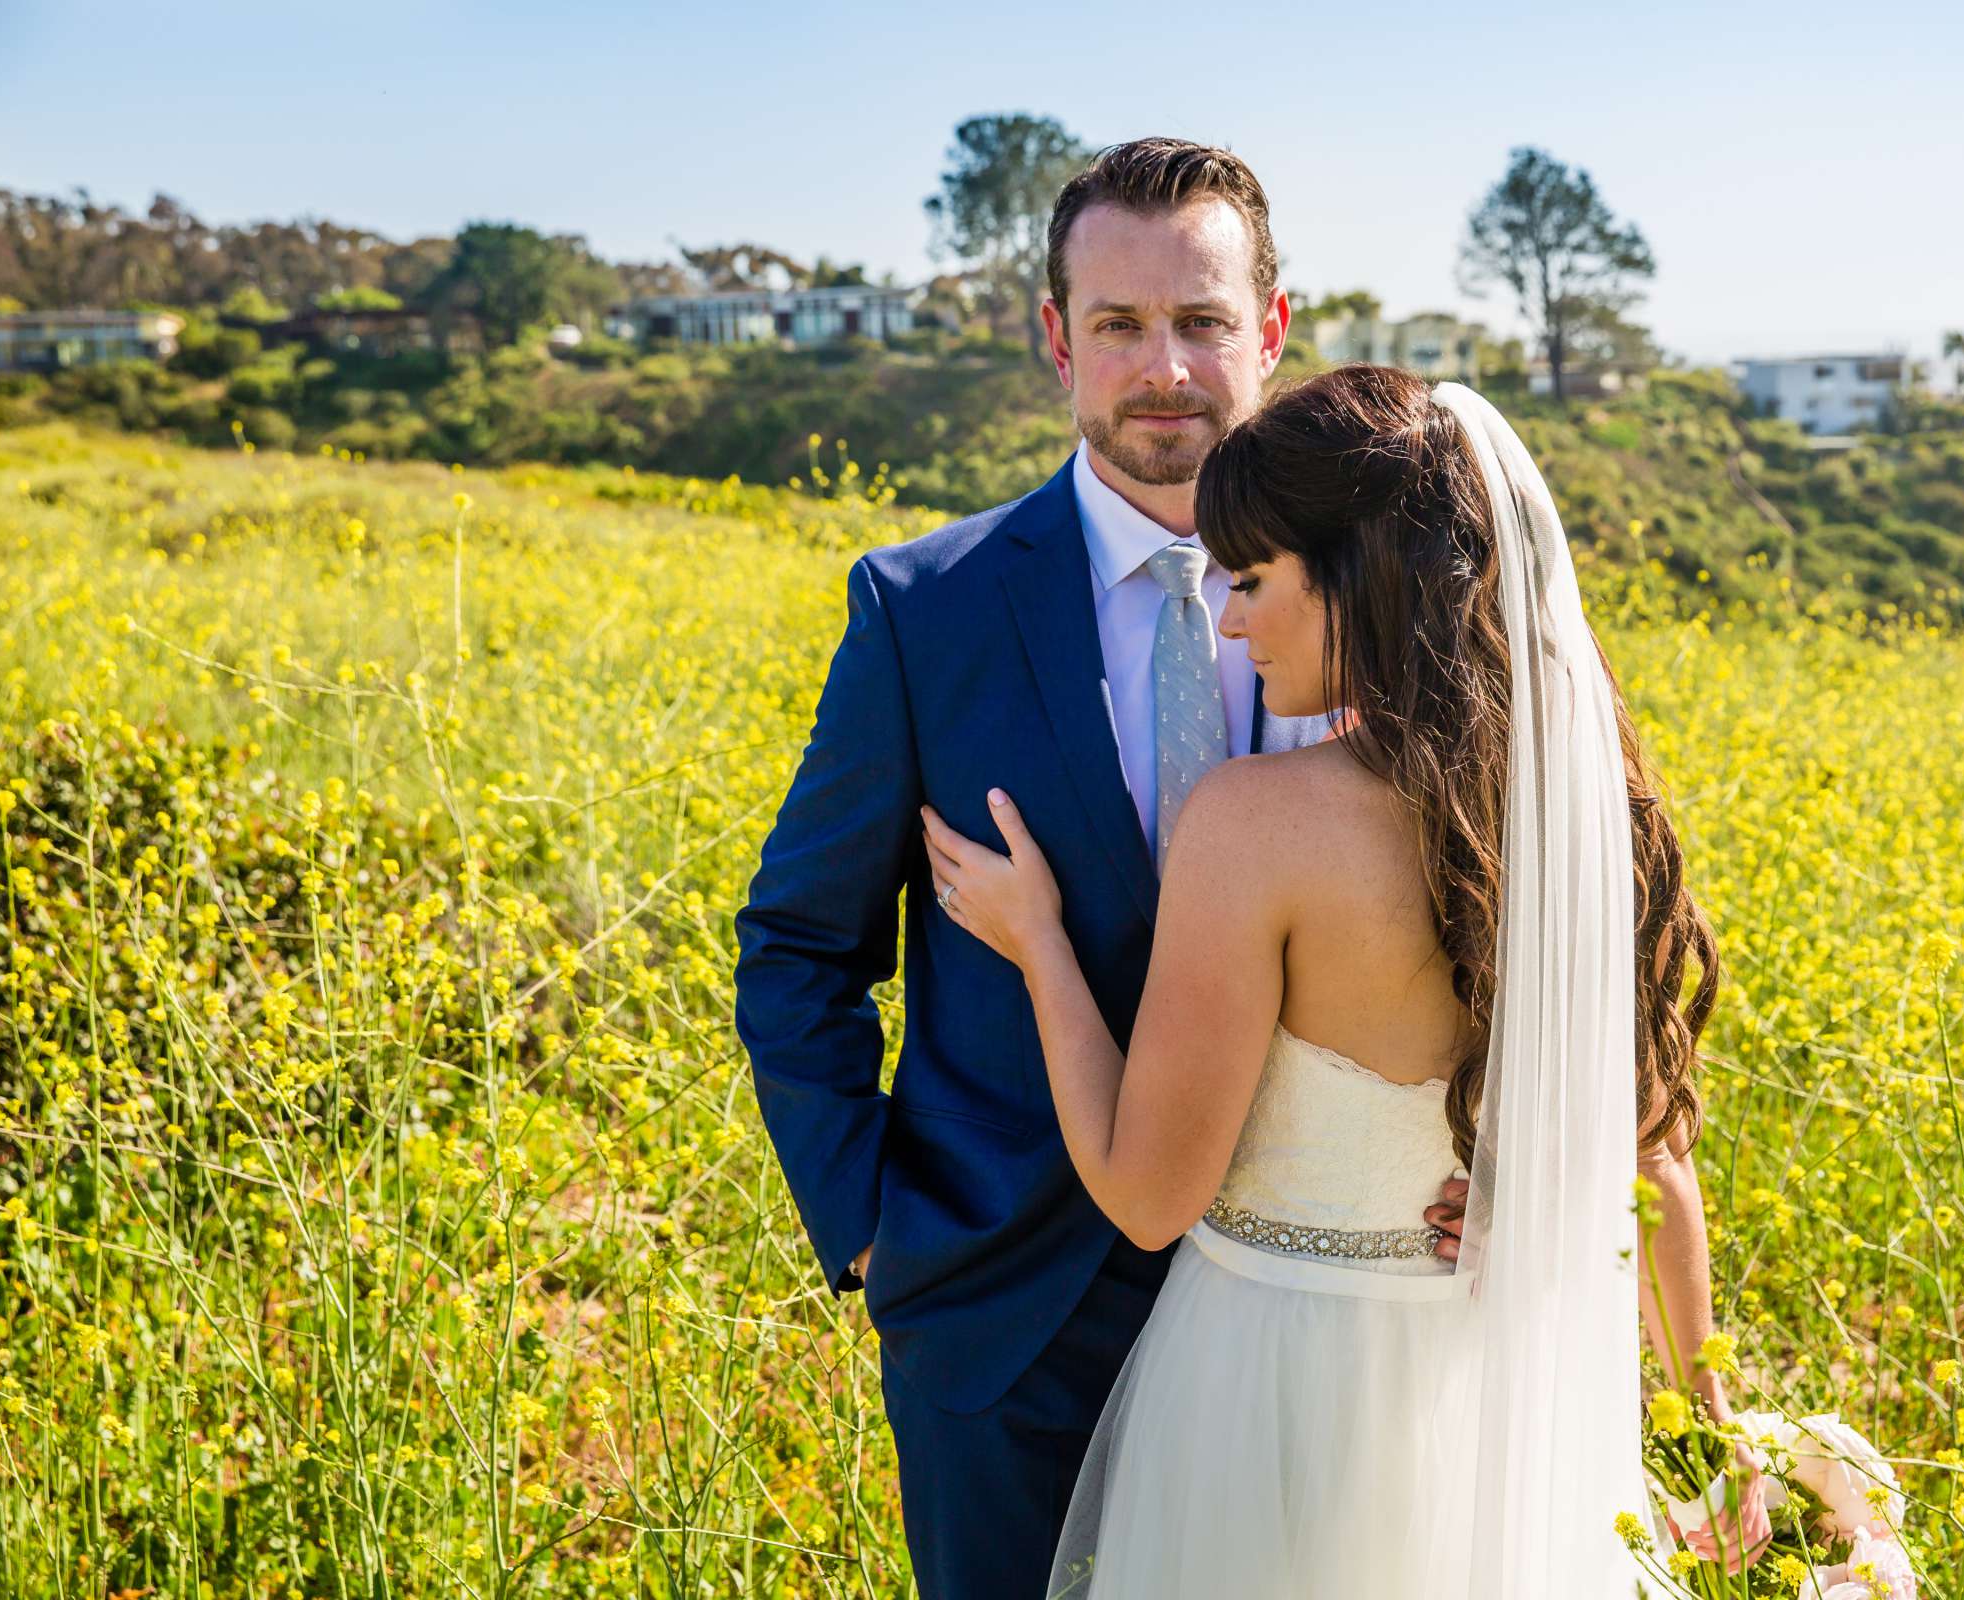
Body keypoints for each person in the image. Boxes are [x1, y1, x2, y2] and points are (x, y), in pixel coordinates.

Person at [731, 140, 1467, 1599]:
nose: (1165, 370)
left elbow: (1507, 920)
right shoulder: (920, 610)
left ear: (1271, 327)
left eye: (1201, 322)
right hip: (1006, 1325)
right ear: (1058, 337)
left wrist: (1489, 1162)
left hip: (1331, 1317)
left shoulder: (1410, 612)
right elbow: (800, 947)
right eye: (1120, 325)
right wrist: (878, 1231)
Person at [920, 363, 1767, 1596]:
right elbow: (1657, 1164)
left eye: (1255, 580)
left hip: (1267, 1385)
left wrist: (1037, 939)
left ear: (1360, 576)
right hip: (1486, 1411)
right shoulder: (1576, 814)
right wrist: (1712, 1421)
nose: (1229, 619)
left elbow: (1147, 1195)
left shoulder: (1256, 823)